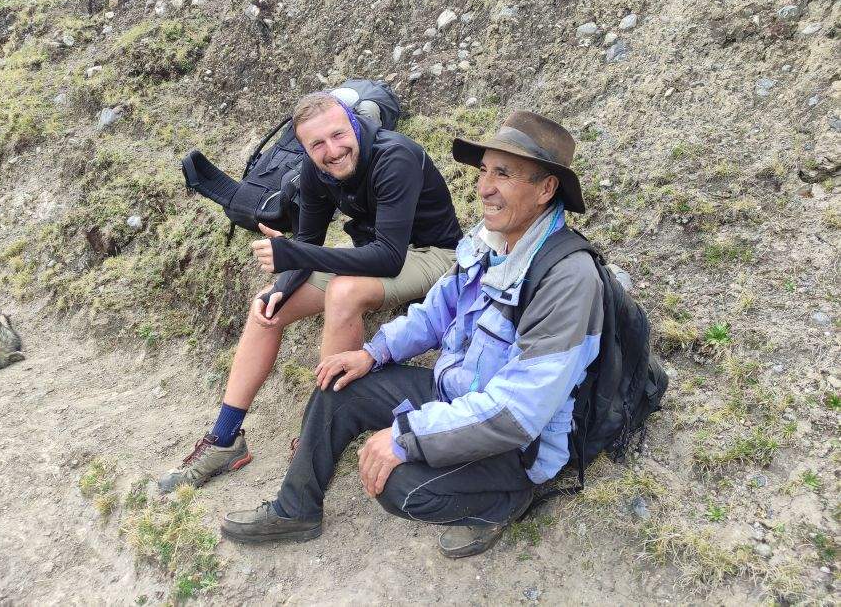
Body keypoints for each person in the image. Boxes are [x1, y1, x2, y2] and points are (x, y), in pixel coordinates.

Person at [219, 110, 604, 559]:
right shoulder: (491, 237)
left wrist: (406, 436)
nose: (484, 188)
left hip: (517, 446)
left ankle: (508, 501)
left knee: (401, 486)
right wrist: (372, 353)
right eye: (484, 171)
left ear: (546, 188)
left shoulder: (568, 279)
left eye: (504, 173)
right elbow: (436, 312)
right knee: (339, 380)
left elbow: (514, 416)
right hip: (455, 396)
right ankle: (295, 510)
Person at [159, 91, 463, 493]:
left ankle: (318, 435)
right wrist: (282, 284)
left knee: (342, 292)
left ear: (354, 125)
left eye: (338, 135)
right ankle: (225, 437)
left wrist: (294, 253)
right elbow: (308, 240)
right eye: (317, 144)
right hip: (373, 253)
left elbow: (388, 257)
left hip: (433, 255)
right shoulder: (315, 170)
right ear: (303, 147)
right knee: (265, 308)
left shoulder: (395, 157)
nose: (332, 151)